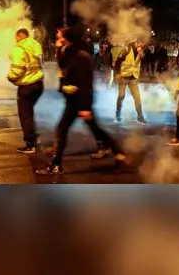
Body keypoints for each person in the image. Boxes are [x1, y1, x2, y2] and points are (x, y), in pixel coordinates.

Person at [39, 26, 125, 175]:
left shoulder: (82, 57)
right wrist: (58, 50)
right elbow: (62, 67)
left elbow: (86, 84)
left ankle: (56, 165)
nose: (57, 38)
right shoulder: (67, 51)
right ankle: (118, 152)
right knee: (93, 128)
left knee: (64, 129)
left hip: (80, 101)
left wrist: (85, 106)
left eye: (59, 36)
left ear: (67, 38)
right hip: (73, 100)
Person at [7, 28, 45, 154]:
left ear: (19, 36)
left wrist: (10, 77)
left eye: (16, 37)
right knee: (30, 112)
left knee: (25, 115)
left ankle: (30, 144)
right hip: (39, 83)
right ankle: (35, 137)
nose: (15, 39)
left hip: (27, 85)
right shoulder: (36, 45)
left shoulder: (19, 49)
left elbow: (17, 70)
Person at [113, 39, 147, 124]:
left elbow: (145, 60)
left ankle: (140, 116)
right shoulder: (127, 49)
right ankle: (118, 113)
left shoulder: (141, 51)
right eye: (141, 43)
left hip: (133, 78)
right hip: (123, 77)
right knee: (121, 96)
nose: (142, 45)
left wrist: (141, 54)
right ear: (137, 42)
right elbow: (117, 62)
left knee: (137, 98)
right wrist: (117, 73)